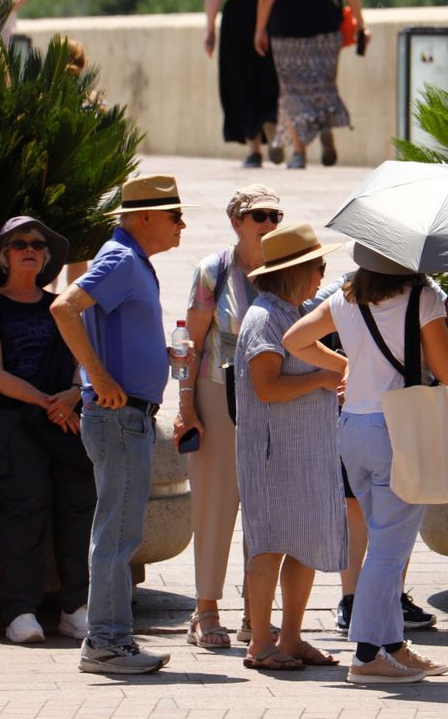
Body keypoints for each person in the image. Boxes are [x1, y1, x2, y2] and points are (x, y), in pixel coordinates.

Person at [283, 242, 448, 685]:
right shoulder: (424, 298)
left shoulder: (345, 296)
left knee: (383, 538)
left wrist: (346, 366)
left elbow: (293, 340)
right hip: (399, 429)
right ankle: (367, 655)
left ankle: (393, 645)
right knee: (389, 547)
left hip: (354, 429)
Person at [51, 174, 185, 675]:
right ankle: (106, 642)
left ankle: (109, 639)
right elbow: (63, 308)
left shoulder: (133, 261)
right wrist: (100, 376)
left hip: (126, 416)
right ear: (145, 216)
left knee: (118, 532)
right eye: (175, 215)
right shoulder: (122, 258)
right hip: (119, 416)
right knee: (117, 535)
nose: (182, 225)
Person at [0, 216, 93, 647]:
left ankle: (75, 609)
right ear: (4, 256)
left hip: (65, 418)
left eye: (38, 244)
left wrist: (74, 395)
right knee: (24, 507)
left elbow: (85, 364)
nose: (30, 249)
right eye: (20, 243)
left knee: (78, 507)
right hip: (15, 420)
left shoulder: (63, 305)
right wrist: (48, 403)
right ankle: (20, 611)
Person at [234, 223, 346, 672]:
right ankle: (261, 642)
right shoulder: (264, 317)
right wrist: (320, 379)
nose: (322, 275)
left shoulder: (289, 313)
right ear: (296, 271)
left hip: (303, 451)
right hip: (272, 454)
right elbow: (267, 388)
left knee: (301, 545)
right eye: (319, 266)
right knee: (269, 547)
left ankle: (292, 637)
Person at [177, 185, 283, 649]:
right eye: (258, 215)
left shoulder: (285, 270)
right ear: (236, 221)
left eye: (274, 216)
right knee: (215, 505)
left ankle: (254, 615)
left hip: (270, 398)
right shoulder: (213, 271)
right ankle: (205, 610)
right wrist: (184, 406)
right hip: (216, 394)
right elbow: (188, 344)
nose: (268, 224)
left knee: (265, 508)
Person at [254, 0, 366, 170]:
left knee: (292, 90)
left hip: (286, 33)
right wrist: (361, 22)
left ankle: (299, 153)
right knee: (322, 83)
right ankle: (324, 129)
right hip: (326, 31)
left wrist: (259, 29)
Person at [204, 0, 280, 167]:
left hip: (236, 18)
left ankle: (253, 149)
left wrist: (210, 29)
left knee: (241, 82)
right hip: (271, 17)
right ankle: (271, 117)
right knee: (270, 76)